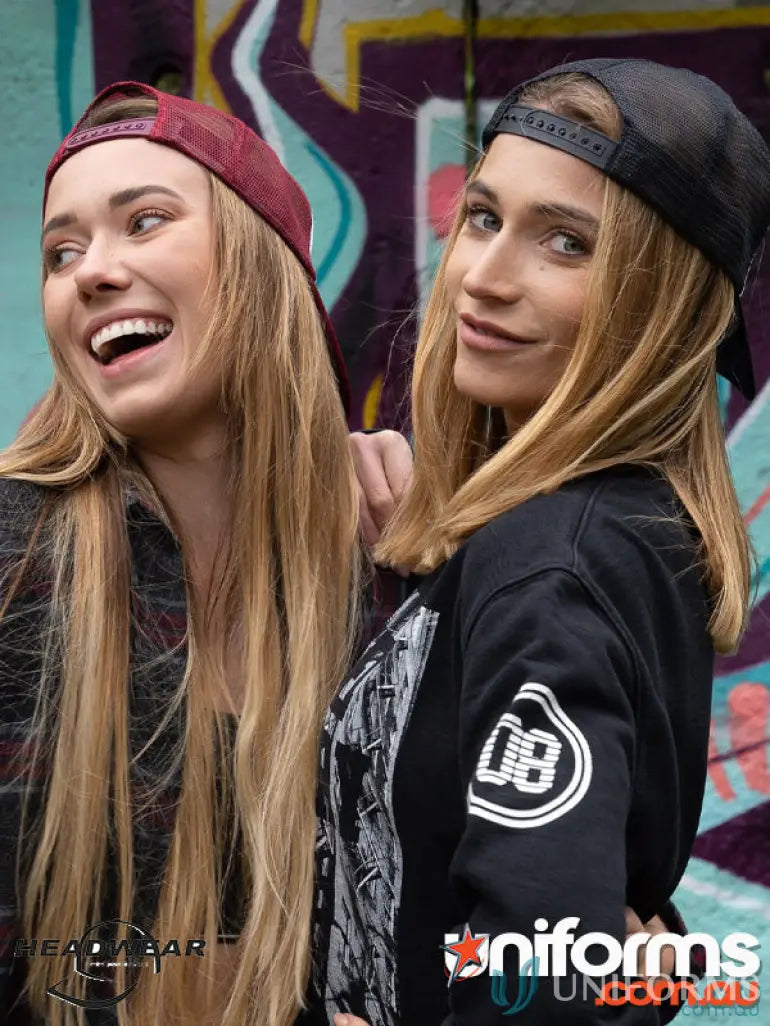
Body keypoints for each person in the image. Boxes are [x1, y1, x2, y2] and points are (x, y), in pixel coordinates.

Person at [304, 58, 770, 1025]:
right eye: (484, 217)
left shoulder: (557, 561)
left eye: (565, 243)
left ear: (660, 306)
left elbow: (548, 983)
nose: (485, 276)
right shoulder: (571, 541)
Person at [0, 81, 411, 1026]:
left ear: (261, 264)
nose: (91, 272)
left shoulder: (380, 584)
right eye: (61, 252)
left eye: (144, 222)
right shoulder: (21, 565)